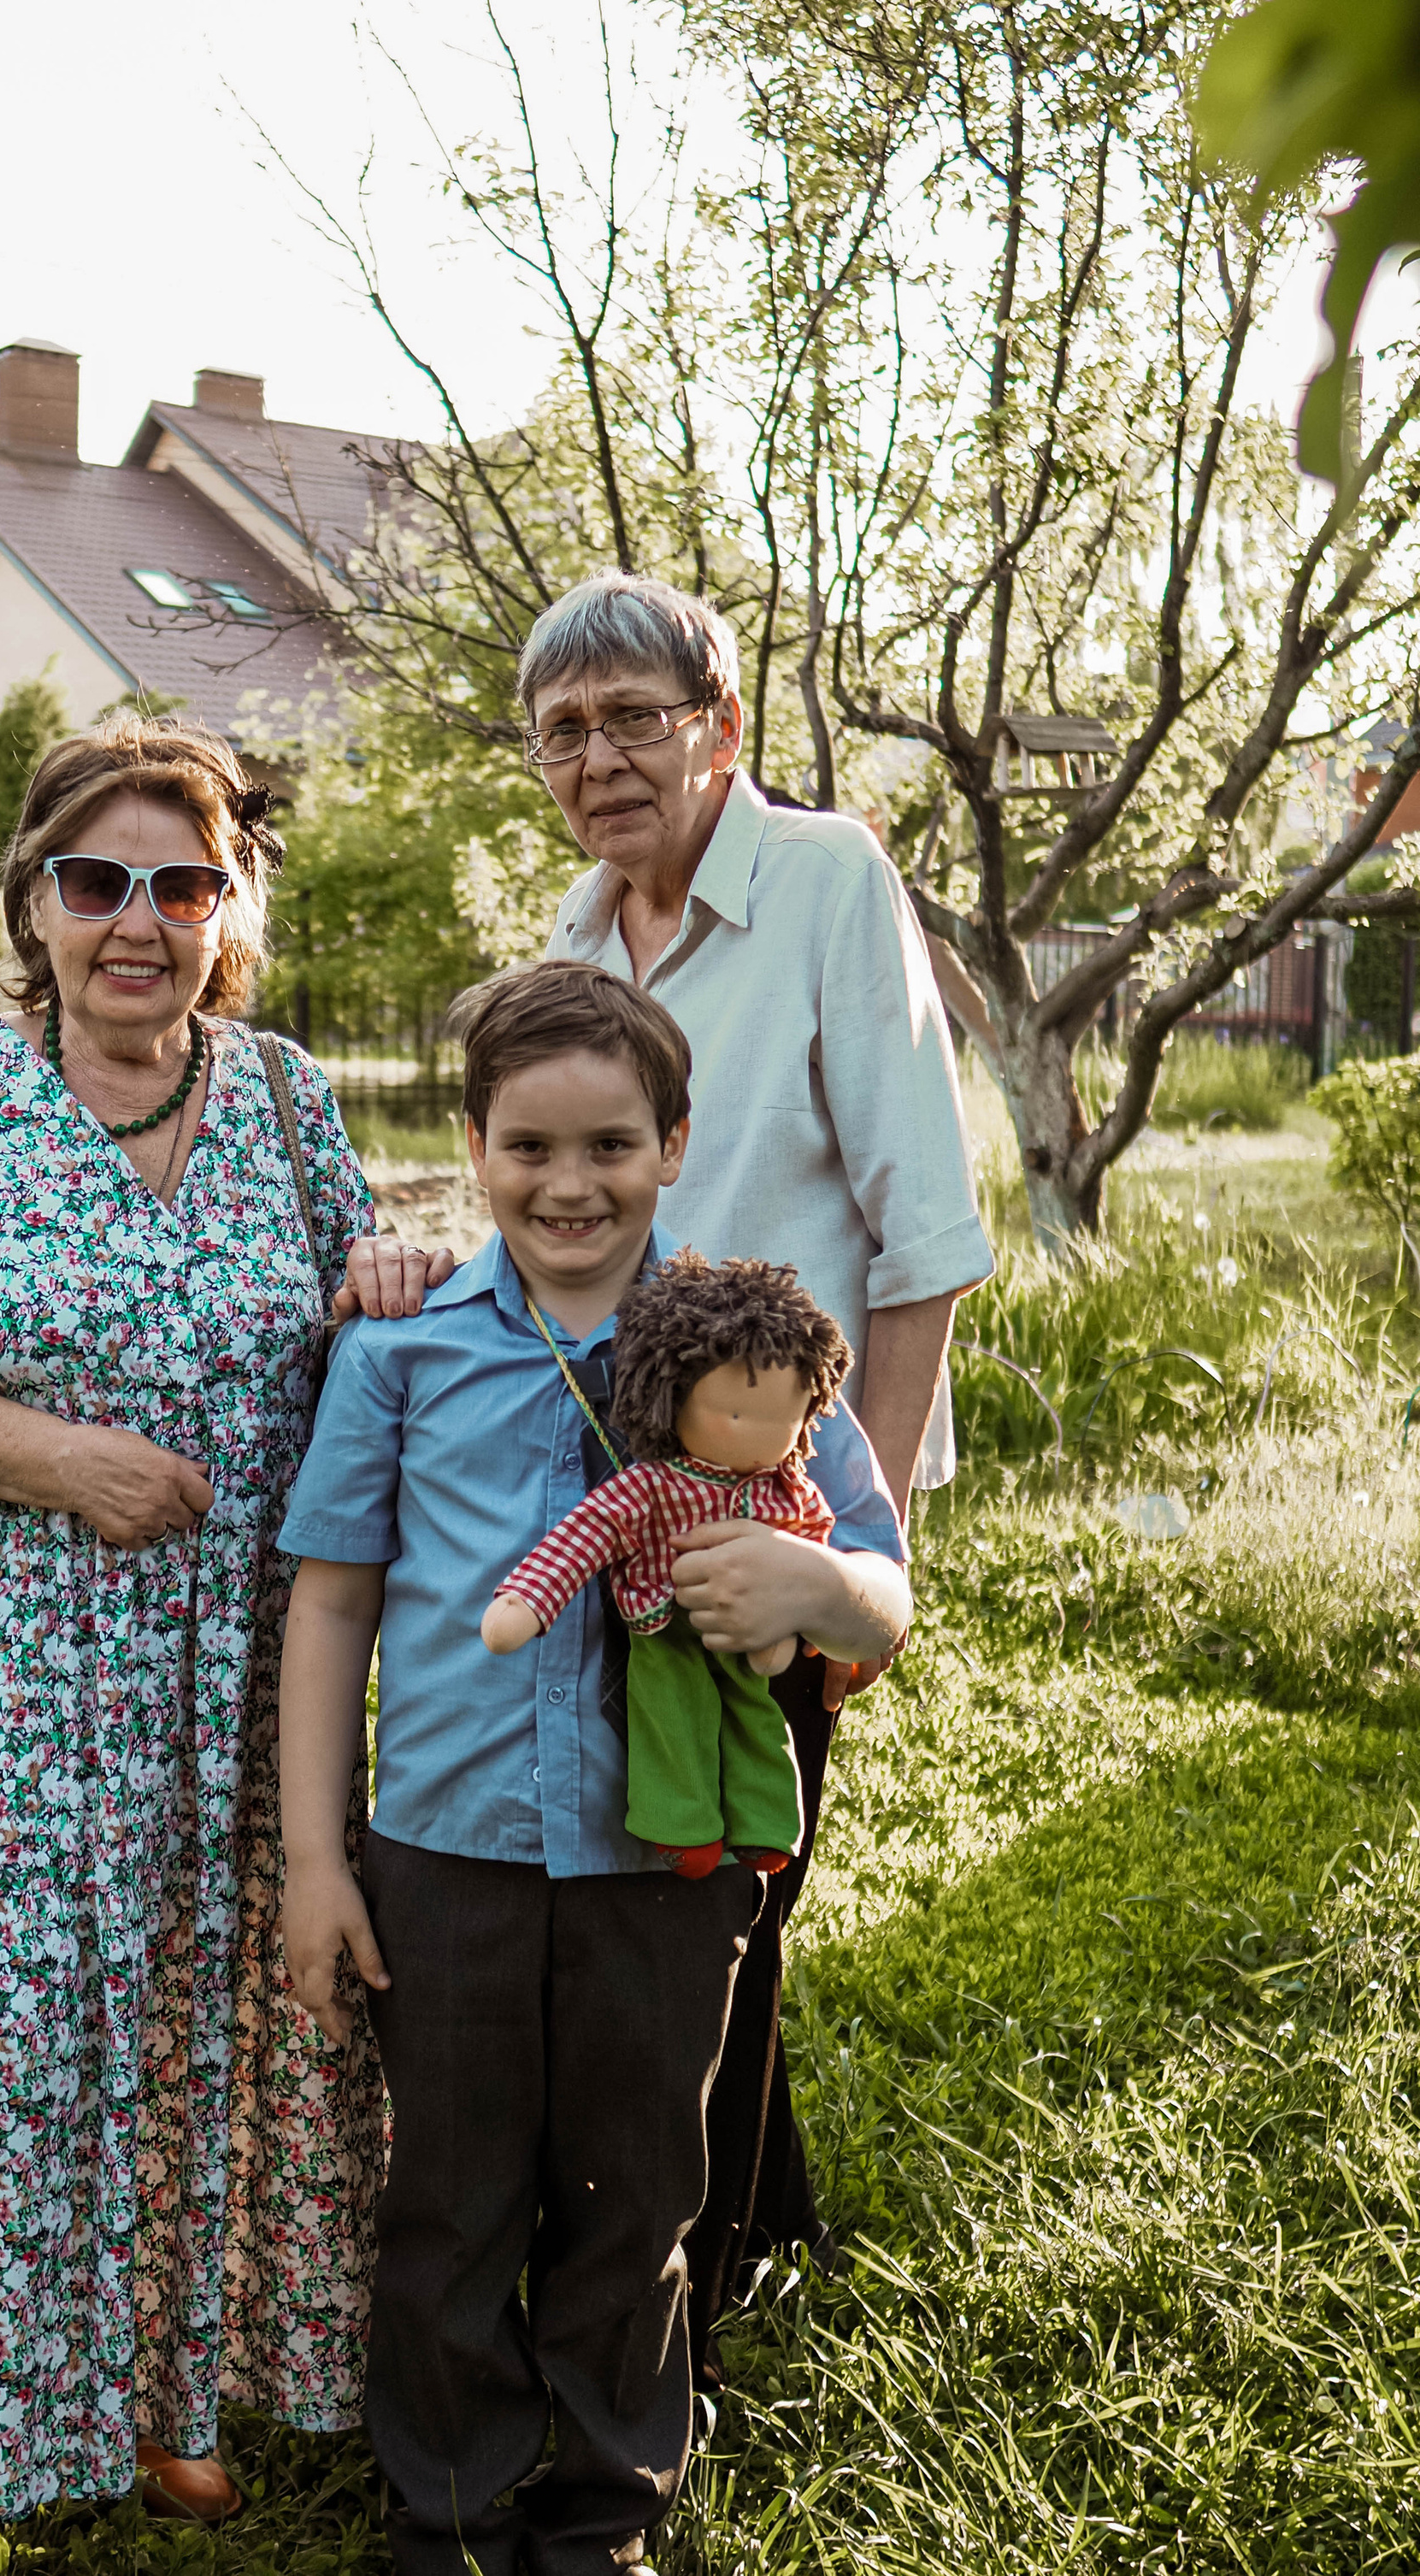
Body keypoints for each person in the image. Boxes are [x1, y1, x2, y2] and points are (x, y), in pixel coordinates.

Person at [0, 714, 444, 2576]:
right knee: (4, 2044)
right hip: (6, 1684)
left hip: (246, 1683)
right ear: (36, 900)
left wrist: (383, 1276)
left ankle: (166, 2400)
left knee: (213, 2024)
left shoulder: (283, 1100)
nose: (139, 918)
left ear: (231, 903)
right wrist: (49, 1454)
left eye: (184, 880)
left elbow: (351, 1323)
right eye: (99, 881)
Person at [277, 962, 910, 2576]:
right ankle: (449, 2501)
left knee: (640, 2194)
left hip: (667, 1862)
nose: (572, 1184)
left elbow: (887, 1585)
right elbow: (335, 1598)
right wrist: (316, 1859)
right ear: (474, 1144)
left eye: (613, 1144)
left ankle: (607, 2504)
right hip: (447, 1843)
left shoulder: (762, 1349)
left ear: (677, 1142)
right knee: (450, 2196)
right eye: (531, 1146)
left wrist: (823, 1592)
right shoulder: (399, 1354)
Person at [523, 571, 993, 2360]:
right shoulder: (573, 932)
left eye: (636, 713)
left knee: (713, 1889)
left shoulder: (819, 880)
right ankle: (759, 2214)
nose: (600, 756)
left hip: (784, 1496)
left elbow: (922, 1233)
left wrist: (854, 1546)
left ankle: (684, 2298)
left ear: (719, 724)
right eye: (563, 729)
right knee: (694, 1872)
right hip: (632, 1506)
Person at [480, 1253, 856, 1878]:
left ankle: (764, 1822)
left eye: (779, 1418)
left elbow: (817, 1541)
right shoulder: (651, 1486)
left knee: (756, 1714)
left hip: (753, 1626)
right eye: (734, 1414)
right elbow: (583, 1538)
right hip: (662, 1621)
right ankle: (682, 1827)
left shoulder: (786, 1487)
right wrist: (528, 1600)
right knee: (670, 1715)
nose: (756, 1433)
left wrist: (808, 1604)